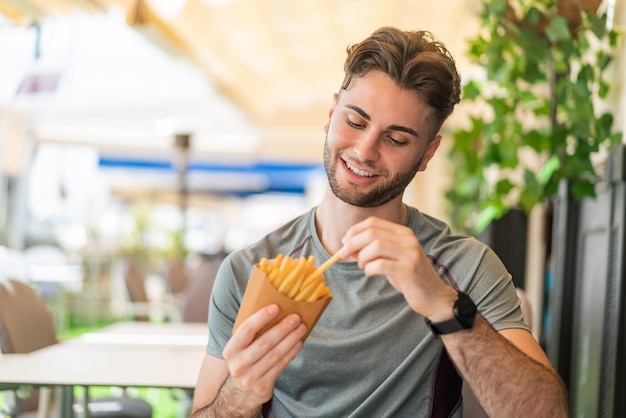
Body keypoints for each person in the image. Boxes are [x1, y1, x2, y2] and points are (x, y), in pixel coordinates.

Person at [191, 26, 569, 417]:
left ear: (428, 153)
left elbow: (547, 413)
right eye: (355, 121)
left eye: (397, 139)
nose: (365, 150)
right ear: (331, 113)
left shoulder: (462, 268)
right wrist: (241, 393)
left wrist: (443, 305)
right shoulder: (248, 271)